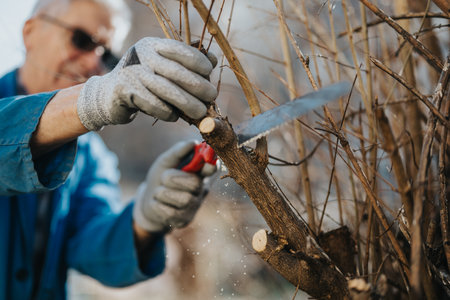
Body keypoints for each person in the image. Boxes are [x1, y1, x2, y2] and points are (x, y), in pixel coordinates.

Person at [0, 0, 218, 299]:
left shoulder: (91, 157)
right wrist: (88, 102)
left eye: (107, 54)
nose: (94, 65)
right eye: (82, 40)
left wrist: (146, 217)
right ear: (31, 32)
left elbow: (89, 249)